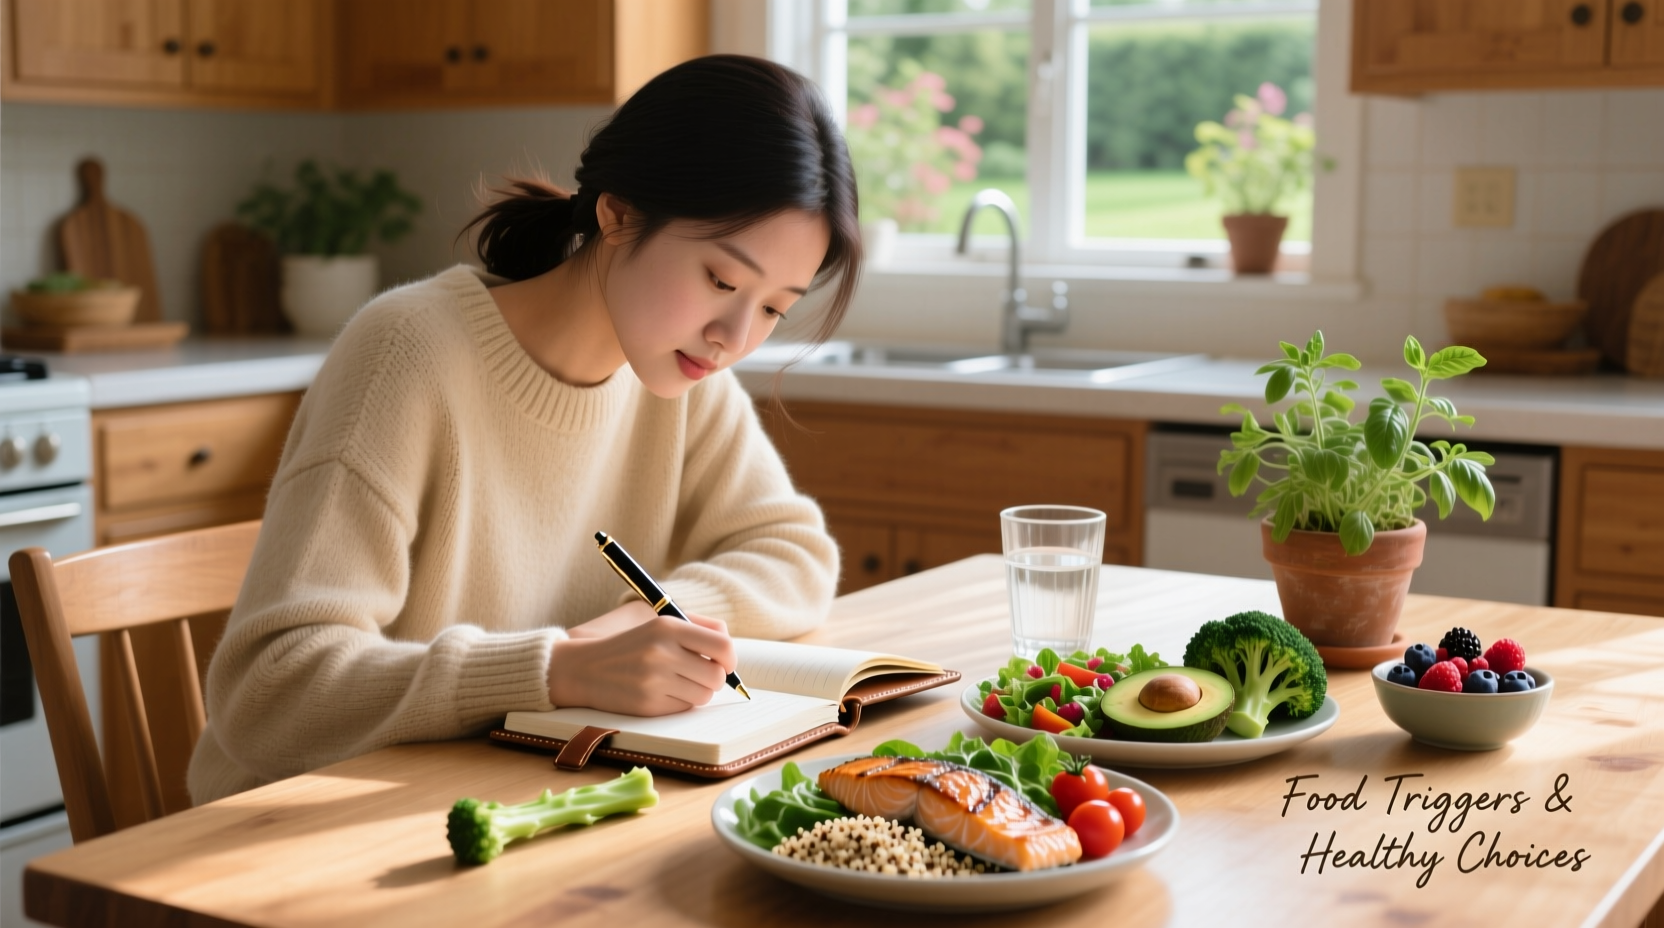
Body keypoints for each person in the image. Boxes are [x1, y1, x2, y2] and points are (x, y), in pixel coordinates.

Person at [188, 55, 860, 804]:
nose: (733, 336)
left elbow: (795, 553)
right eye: (722, 281)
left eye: (774, 308)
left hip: (495, 797)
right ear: (618, 213)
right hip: (293, 826)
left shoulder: (683, 377)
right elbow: (267, 693)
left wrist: (645, 616)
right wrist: (555, 671)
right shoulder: (406, 355)